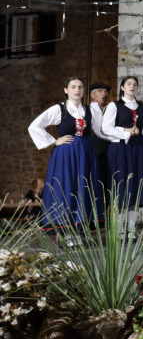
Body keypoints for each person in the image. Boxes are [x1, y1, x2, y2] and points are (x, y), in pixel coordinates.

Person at [28, 77, 101, 246]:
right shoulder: (59, 109)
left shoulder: (90, 111)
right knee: (67, 189)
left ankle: (80, 230)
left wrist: (124, 134)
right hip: (65, 155)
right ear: (66, 90)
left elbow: (101, 131)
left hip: (85, 155)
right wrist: (54, 141)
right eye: (73, 87)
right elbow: (34, 126)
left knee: (83, 189)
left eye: (80, 87)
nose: (77, 90)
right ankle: (68, 234)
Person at [102, 75, 143, 240]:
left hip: (138, 149)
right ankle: (118, 230)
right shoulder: (114, 105)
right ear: (122, 87)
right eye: (128, 84)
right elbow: (105, 128)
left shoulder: (141, 107)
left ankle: (130, 230)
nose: (132, 86)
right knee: (121, 186)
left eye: (135, 84)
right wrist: (125, 132)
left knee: (135, 187)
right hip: (120, 148)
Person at [88, 81, 112, 191]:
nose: (104, 94)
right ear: (92, 95)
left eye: (105, 92)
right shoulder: (87, 110)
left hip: (110, 151)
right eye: (100, 91)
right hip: (94, 151)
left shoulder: (110, 110)